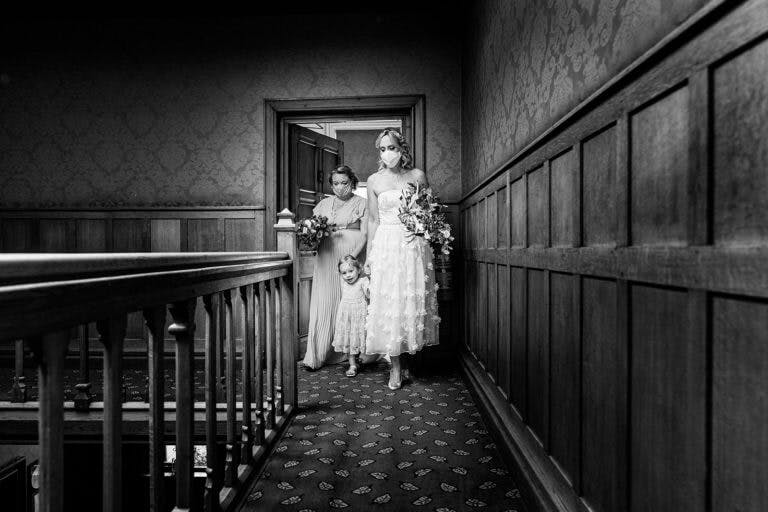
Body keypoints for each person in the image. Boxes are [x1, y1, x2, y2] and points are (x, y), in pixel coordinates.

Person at [364, 128, 440, 389]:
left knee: (408, 301)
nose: (388, 153)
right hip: (386, 244)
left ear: (402, 149)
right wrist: (369, 257)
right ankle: (394, 368)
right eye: (383, 149)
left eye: (392, 148)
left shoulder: (417, 176)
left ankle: (407, 362)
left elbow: (429, 212)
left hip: (412, 245)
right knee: (389, 303)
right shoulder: (373, 180)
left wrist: (426, 234)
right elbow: (373, 220)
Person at [302, 165, 368, 370]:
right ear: (331, 185)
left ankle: (357, 354)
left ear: (353, 183)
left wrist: (351, 259)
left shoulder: (362, 203)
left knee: (352, 302)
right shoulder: (322, 204)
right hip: (326, 255)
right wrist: (310, 237)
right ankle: (318, 354)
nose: (340, 188)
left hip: (351, 255)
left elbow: (366, 234)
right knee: (325, 300)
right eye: (336, 183)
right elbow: (313, 229)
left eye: (345, 183)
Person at [332, 255, 370, 377]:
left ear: (358, 270)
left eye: (351, 271)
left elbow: (369, 296)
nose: (348, 275)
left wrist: (371, 281)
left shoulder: (363, 281)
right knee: (349, 339)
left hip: (359, 317)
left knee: (359, 339)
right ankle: (352, 365)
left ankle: (361, 359)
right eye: (344, 273)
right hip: (347, 318)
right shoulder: (343, 283)